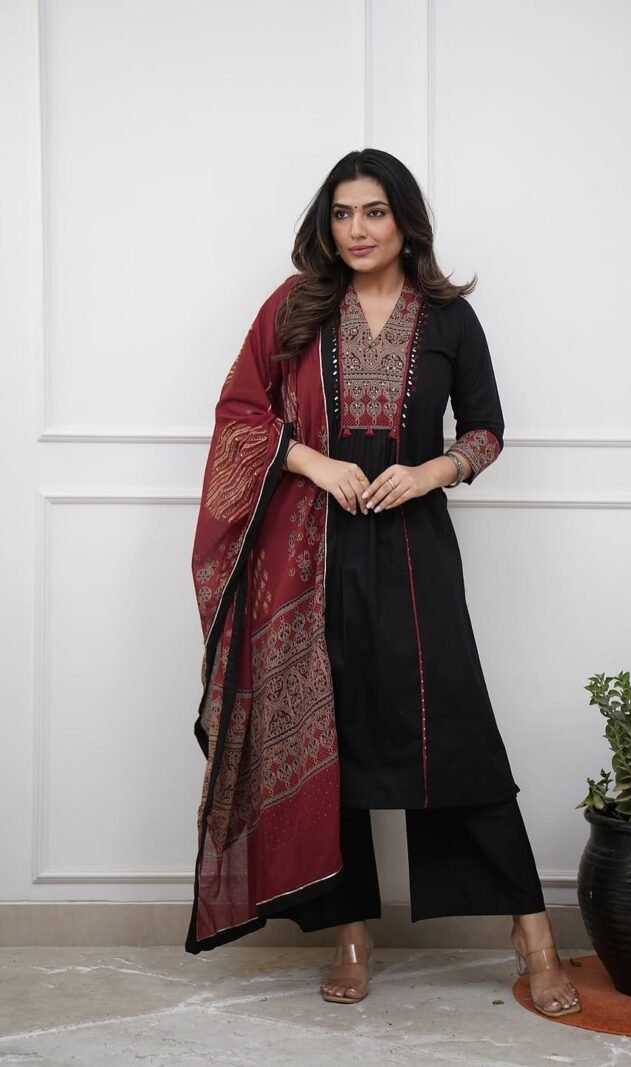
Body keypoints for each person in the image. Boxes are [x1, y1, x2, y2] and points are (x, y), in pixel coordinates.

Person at [187, 149, 580, 1019]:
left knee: (460, 735)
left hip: (415, 552)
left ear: (405, 219)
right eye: (342, 213)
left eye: (374, 212)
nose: (357, 230)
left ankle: (535, 936)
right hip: (315, 558)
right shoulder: (295, 309)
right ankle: (352, 936)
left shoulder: (448, 318)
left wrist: (432, 470)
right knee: (338, 743)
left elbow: (486, 429)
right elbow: (240, 417)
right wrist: (316, 463)